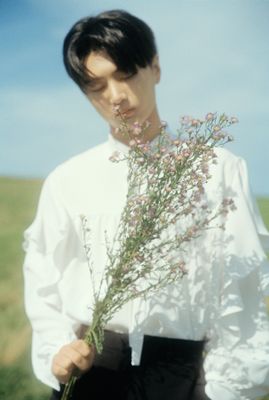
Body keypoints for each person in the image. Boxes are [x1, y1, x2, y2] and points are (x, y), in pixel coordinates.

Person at [23, 9, 269, 400]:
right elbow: (43, 282)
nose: (116, 97)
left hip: (184, 377)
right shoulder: (67, 180)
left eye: (125, 75)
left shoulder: (220, 170)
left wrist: (227, 390)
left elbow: (244, 291)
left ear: (155, 67)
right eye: (96, 86)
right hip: (90, 375)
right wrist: (57, 350)